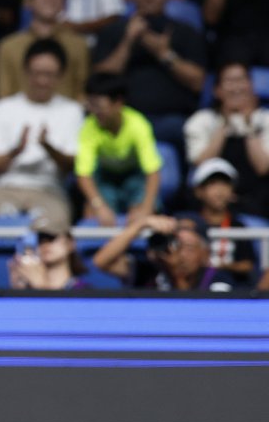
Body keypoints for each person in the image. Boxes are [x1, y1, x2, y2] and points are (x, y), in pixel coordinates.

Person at [0, 39, 82, 228]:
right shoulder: (1, 109)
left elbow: (73, 166)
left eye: (49, 74)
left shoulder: (72, 111)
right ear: (25, 71)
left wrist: (48, 146)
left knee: (55, 224)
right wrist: (16, 150)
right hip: (5, 187)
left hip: (50, 189)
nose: (42, 81)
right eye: (36, 73)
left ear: (61, 75)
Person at [92, 0, 206, 143]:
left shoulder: (186, 32)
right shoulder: (113, 31)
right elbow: (100, 79)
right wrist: (128, 42)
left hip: (171, 120)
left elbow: (198, 82)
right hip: (120, 119)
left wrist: (164, 54)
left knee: (187, 130)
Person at [183, 62, 269, 217]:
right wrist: (225, 122)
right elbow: (202, 163)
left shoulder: (265, 119)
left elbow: (263, 167)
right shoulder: (201, 120)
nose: (236, 88)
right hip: (213, 197)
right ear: (217, 90)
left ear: (251, 86)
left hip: (255, 198)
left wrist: (248, 124)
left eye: (241, 80)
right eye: (230, 81)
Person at [76, 74, 162, 227]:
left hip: (135, 179)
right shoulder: (89, 127)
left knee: (142, 215)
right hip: (106, 180)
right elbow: (83, 174)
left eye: (99, 106)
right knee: (91, 212)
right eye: (91, 105)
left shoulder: (138, 124)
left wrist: (146, 209)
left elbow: (153, 171)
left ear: (118, 102)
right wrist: (99, 206)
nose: (95, 111)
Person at [0, 0, 90, 101]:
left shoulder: (78, 46)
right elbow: (3, 95)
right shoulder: (8, 47)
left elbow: (82, 93)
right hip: (18, 118)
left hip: (66, 117)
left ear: (64, 4)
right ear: (29, 1)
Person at [93, 214, 236, 291]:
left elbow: (191, 316)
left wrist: (176, 275)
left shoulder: (218, 279)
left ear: (205, 254)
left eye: (189, 247)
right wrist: (140, 225)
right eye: (176, 245)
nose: (180, 253)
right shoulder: (151, 270)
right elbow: (101, 261)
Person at [178, 158, 257, 284]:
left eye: (225, 184)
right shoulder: (190, 225)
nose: (219, 191)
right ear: (198, 191)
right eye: (212, 184)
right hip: (194, 285)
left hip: (229, 288)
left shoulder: (238, 226)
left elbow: (248, 264)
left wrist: (223, 266)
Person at [8, 214, 89, 290]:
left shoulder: (83, 290)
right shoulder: (28, 288)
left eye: (51, 237)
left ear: (70, 243)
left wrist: (41, 288)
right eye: (40, 239)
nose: (45, 244)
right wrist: (18, 291)